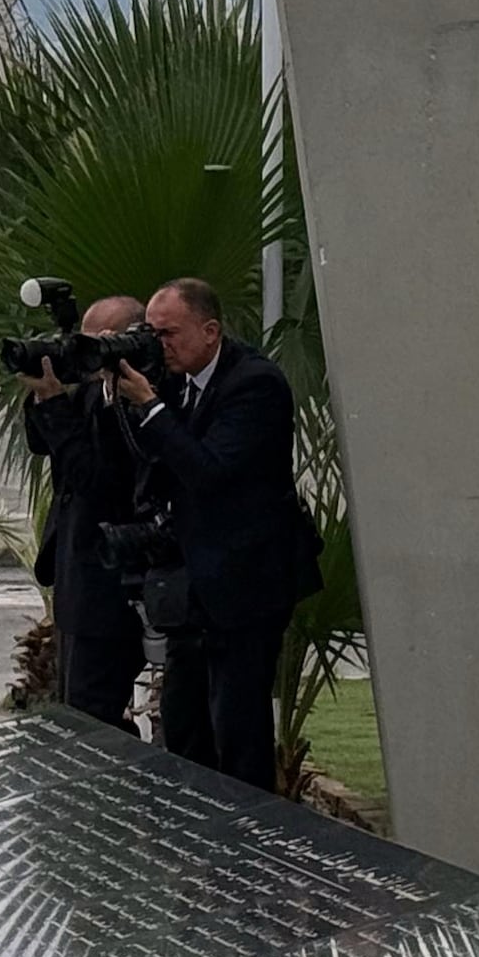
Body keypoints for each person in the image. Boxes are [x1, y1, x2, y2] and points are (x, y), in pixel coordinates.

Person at [109, 277, 325, 793]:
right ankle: (195, 822)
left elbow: (209, 471)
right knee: (184, 720)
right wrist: (130, 397)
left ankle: (249, 828)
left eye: (169, 334)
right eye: (152, 333)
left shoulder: (254, 384)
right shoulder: (177, 381)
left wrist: (152, 407)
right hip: (195, 584)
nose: (160, 345)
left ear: (210, 331)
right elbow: (154, 462)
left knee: (237, 724)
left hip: (249, 583)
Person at [21, 294, 149, 730]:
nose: (85, 353)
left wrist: (56, 403)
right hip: (78, 577)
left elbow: (96, 481)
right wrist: (44, 393)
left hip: (110, 580)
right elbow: (43, 442)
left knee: (91, 715)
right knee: (78, 706)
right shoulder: (93, 390)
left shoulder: (135, 400)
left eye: (96, 342)